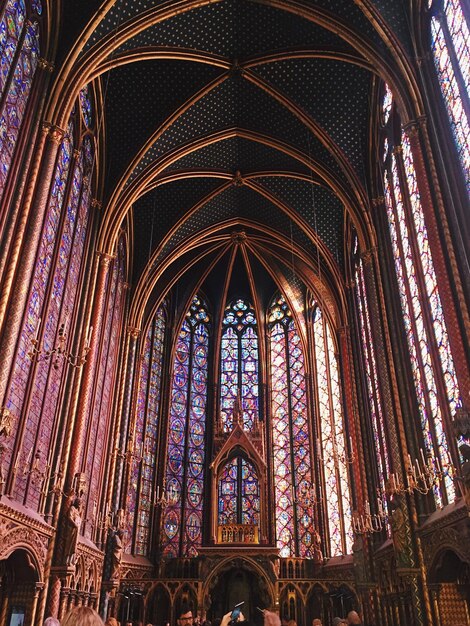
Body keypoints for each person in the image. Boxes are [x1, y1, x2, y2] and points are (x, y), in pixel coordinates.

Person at [63, 497, 82, 566]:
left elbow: (78, 520)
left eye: (80, 503)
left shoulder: (77, 511)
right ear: (76, 502)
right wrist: (74, 524)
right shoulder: (72, 508)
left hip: (76, 531)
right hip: (71, 530)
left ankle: (71, 561)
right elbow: (69, 517)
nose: (80, 504)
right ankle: (66, 560)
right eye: (79, 503)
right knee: (69, 545)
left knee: (74, 546)